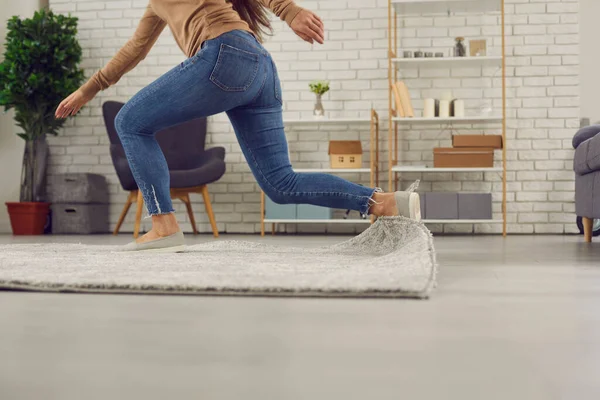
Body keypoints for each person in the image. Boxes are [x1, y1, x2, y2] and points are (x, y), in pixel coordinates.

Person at [55, 0, 420, 252]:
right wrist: (89, 90)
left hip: (226, 56)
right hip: (259, 66)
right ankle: (385, 202)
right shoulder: (156, 5)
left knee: (130, 122)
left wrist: (289, 11)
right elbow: (133, 49)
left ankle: (164, 225)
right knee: (281, 184)